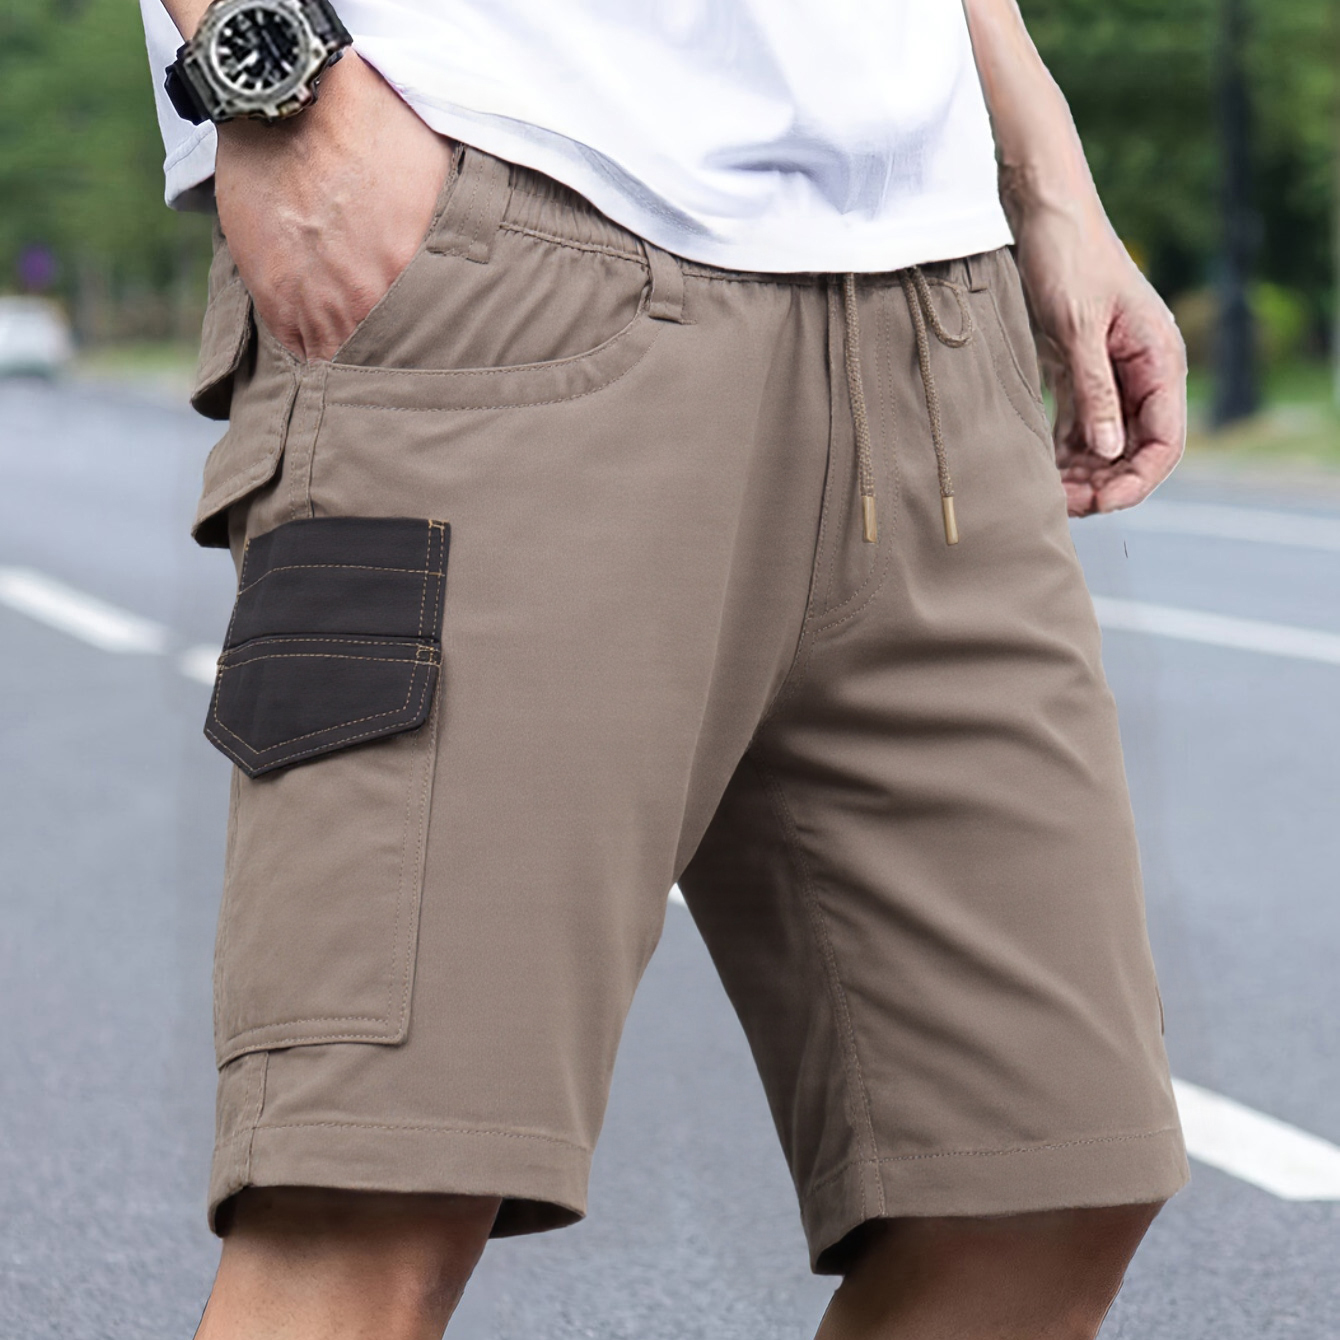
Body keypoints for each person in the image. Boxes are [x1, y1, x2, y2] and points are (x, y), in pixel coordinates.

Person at [139, 0, 1191, 1335]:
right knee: (378, 1188)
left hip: (932, 302)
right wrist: (277, 81)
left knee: (1040, 1178)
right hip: (507, 233)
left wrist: (1045, 173)